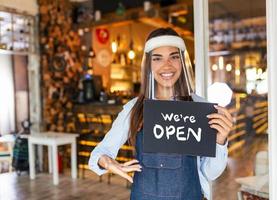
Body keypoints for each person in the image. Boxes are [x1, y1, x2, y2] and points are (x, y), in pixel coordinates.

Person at [89, 28, 233, 200]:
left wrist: (220, 142)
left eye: (174, 56)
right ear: (148, 64)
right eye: (158, 58)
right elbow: (98, 154)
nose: (167, 65)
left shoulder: (200, 108)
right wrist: (107, 161)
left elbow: (209, 172)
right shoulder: (135, 108)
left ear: (182, 61)